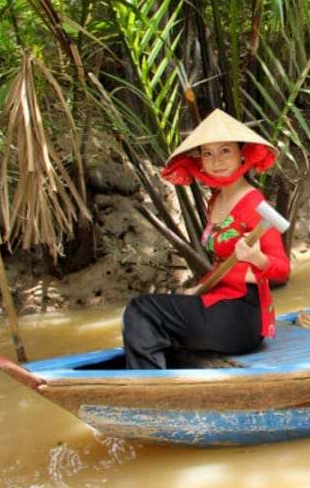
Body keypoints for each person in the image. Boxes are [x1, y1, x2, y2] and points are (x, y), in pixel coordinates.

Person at [122, 109, 290, 369]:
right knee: (148, 316)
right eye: (208, 153)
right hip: (217, 300)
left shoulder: (253, 203)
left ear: (241, 153)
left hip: (241, 316)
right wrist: (198, 289)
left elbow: (282, 269)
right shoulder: (216, 201)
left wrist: (257, 258)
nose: (216, 160)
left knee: (141, 308)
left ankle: (147, 386)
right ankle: (153, 379)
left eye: (225, 151)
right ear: (200, 160)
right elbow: (221, 264)